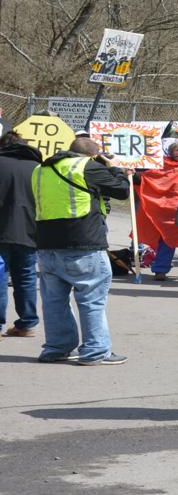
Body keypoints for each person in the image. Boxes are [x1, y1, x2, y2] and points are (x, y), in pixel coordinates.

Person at [30, 136, 131, 364]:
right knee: (91, 299)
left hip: (47, 245)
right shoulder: (88, 166)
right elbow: (122, 191)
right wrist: (115, 169)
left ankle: (56, 348)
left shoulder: (40, 169)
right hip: (83, 243)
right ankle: (95, 351)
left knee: (54, 302)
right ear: (94, 155)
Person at [136, 138, 178, 283]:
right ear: (170, 152)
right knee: (167, 241)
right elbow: (149, 179)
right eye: (177, 149)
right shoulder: (160, 166)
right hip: (167, 212)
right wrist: (131, 172)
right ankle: (160, 270)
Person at [0, 131, 42, 337]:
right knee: (25, 276)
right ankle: (26, 323)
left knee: (0, 276)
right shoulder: (38, 168)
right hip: (29, 230)